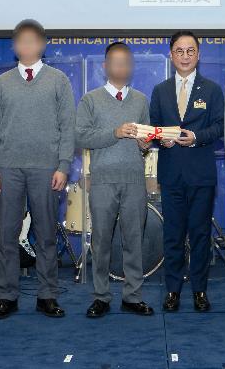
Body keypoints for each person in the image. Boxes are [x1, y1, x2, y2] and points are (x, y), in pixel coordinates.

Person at [0, 19, 75, 319]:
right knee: (7, 235)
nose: (27, 46)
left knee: (46, 235)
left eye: (32, 41)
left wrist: (63, 166)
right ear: (14, 47)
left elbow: (67, 127)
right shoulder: (2, 83)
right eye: (21, 41)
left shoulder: (58, 80)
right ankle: (6, 296)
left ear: (42, 45)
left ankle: (47, 295)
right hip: (8, 169)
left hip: (46, 169)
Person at [75, 42, 153, 318]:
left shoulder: (141, 100)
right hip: (104, 181)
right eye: (116, 62)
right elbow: (81, 136)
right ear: (105, 66)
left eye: (126, 62)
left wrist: (145, 144)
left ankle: (133, 296)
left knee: (134, 240)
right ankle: (101, 296)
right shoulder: (90, 100)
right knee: (101, 241)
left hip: (134, 180)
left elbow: (147, 142)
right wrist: (115, 132)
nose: (121, 67)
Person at [150, 31, 224, 313]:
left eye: (190, 51)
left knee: (201, 235)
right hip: (171, 175)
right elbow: (154, 127)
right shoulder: (160, 90)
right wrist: (160, 138)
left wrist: (197, 137)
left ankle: (200, 291)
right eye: (179, 51)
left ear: (198, 54)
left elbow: (220, 127)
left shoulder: (213, 90)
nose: (184, 56)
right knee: (173, 236)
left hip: (201, 175)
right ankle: (172, 291)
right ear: (171, 55)